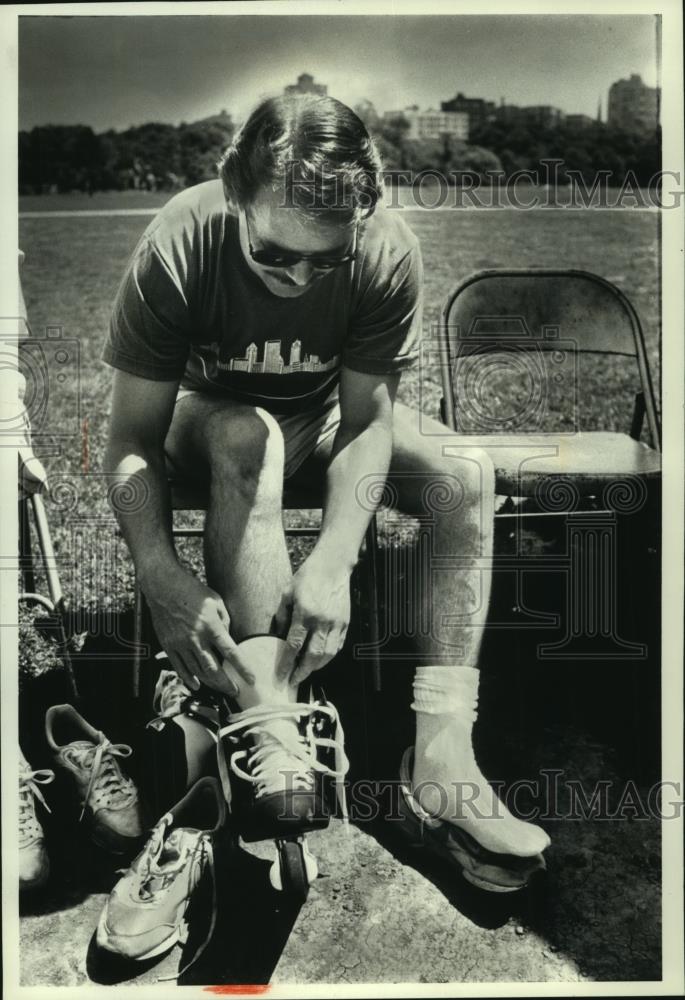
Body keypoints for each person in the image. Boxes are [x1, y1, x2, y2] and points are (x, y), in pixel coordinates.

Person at [103, 93, 550, 887]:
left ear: (364, 211)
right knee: (251, 436)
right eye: (276, 256)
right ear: (235, 196)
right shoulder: (180, 237)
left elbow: (367, 422)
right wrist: (158, 570)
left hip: (323, 418)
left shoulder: (385, 248)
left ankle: (441, 759)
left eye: (326, 259)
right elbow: (132, 439)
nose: (298, 277)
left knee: (464, 480)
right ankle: (270, 725)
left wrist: (337, 556)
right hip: (206, 422)